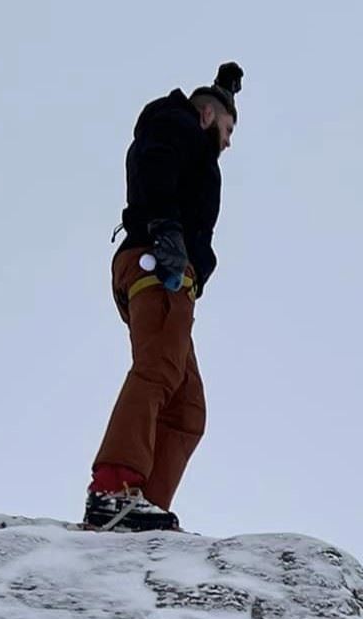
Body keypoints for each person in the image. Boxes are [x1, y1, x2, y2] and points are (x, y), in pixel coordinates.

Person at [85, 62, 243, 531]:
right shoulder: (173, 123)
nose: (230, 142)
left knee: (188, 405)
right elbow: (154, 162)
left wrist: (227, 89)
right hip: (158, 261)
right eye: (229, 128)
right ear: (208, 116)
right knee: (158, 370)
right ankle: (113, 490)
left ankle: (143, 505)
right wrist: (166, 229)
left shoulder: (193, 144)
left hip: (176, 276)